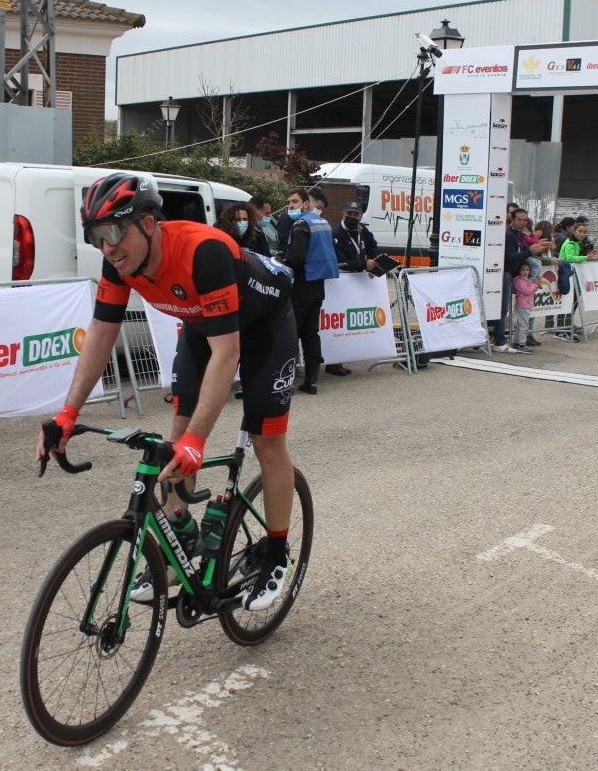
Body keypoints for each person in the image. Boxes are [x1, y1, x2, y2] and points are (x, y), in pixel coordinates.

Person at [36, 172, 297, 612]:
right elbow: (101, 331)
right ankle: (180, 536)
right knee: (176, 435)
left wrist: (200, 441)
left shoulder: (203, 251)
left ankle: (276, 552)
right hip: (205, 323)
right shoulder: (118, 261)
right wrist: (67, 412)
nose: (108, 247)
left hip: (264, 325)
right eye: (96, 236)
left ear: (149, 223)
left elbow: (228, 352)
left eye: (115, 231)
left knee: (265, 442)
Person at [280, 186, 337, 394]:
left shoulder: (302, 223)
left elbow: (297, 256)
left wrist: (280, 260)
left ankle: (288, 380)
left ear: (306, 203)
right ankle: (311, 381)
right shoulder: (324, 223)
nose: (291, 207)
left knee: (292, 333)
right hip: (317, 285)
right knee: (311, 333)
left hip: (302, 284)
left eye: (295, 203)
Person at [326, 200, 381, 376]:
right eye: (348, 213)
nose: (351, 217)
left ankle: (350, 353)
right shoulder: (336, 233)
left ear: (360, 215)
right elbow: (340, 261)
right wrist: (365, 265)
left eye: (355, 214)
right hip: (342, 281)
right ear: (343, 213)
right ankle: (334, 361)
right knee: (339, 323)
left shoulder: (362, 230)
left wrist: (375, 264)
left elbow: (373, 247)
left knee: (353, 321)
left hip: (358, 280)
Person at [492, 208, 551, 352]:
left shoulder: (520, 235)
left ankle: (498, 339)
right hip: (504, 273)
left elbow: (526, 253)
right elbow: (512, 257)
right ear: (512, 220)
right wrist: (530, 250)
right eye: (519, 219)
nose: (522, 223)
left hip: (510, 274)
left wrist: (538, 249)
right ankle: (499, 342)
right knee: (502, 308)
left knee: (503, 308)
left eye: (525, 220)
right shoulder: (508, 235)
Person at [556, 222, 598, 341]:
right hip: (567, 275)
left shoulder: (579, 243)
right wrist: (585, 257)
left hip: (574, 276)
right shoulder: (570, 242)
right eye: (580, 231)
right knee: (568, 303)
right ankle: (562, 330)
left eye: (584, 232)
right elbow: (569, 258)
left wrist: (587, 256)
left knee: (574, 303)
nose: (582, 234)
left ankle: (567, 327)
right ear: (574, 231)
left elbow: (577, 257)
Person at [511, 262, 539, 354]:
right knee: (523, 325)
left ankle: (516, 342)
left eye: (527, 270)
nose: (525, 272)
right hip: (523, 305)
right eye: (522, 270)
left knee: (520, 324)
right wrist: (535, 285)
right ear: (518, 271)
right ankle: (522, 344)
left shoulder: (525, 281)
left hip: (525, 304)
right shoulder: (519, 281)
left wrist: (535, 286)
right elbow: (527, 291)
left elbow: (529, 290)